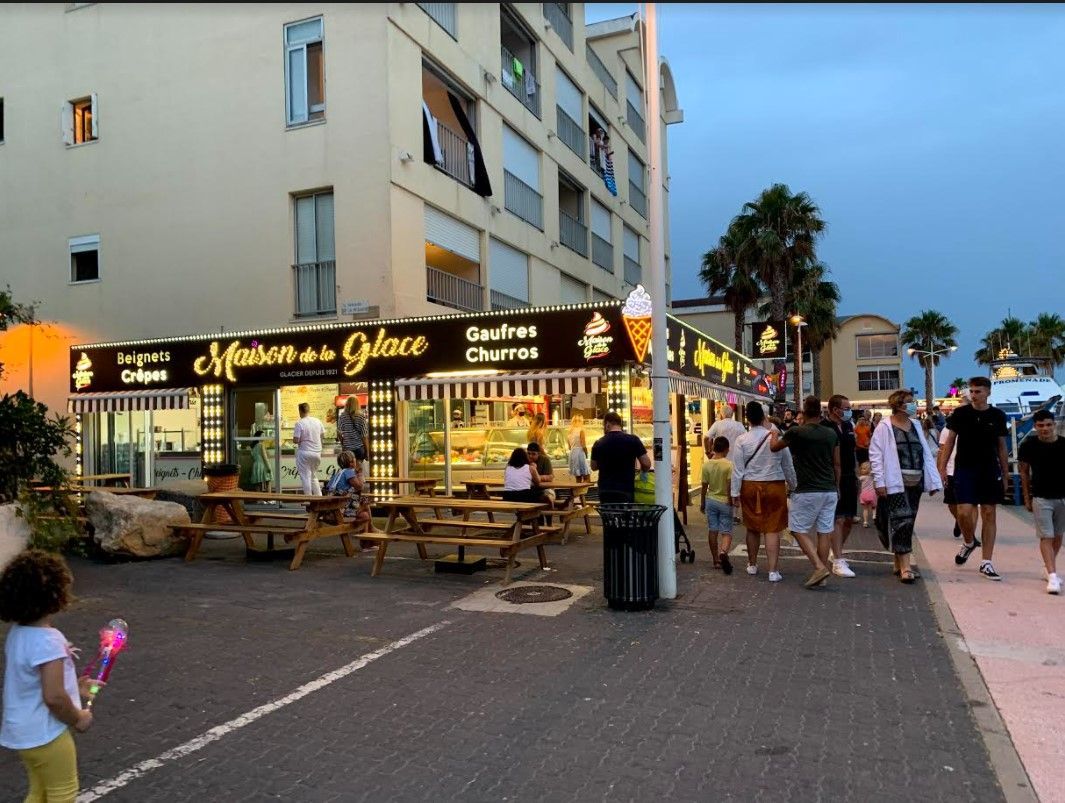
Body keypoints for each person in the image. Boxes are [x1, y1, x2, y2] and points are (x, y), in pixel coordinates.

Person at [1, 550, 97, 802]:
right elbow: (53, 696)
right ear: (58, 594)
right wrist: (78, 718)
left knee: (39, 791)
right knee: (62, 793)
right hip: (47, 735)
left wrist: (75, 688)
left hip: (23, 733)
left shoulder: (18, 633)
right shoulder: (48, 640)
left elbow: (32, 681)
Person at [938, 376, 1010, 580]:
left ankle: (986, 562)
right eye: (972, 391)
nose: (974, 395)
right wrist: (942, 468)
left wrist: (1005, 473)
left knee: (989, 513)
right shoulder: (960, 414)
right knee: (963, 512)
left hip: (989, 469)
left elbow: (1002, 446)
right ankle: (969, 542)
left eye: (978, 391)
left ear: (988, 392)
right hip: (965, 469)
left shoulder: (997, 415)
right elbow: (950, 441)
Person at [870, 389, 943, 583]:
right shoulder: (884, 427)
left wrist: (933, 480)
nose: (914, 404)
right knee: (902, 520)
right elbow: (876, 456)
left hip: (916, 482)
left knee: (908, 520)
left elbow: (926, 453)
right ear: (899, 405)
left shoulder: (917, 426)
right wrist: (880, 482)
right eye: (910, 402)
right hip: (896, 481)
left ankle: (897, 561)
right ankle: (905, 566)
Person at [770, 395, 838, 589]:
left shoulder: (796, 432)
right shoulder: (831, 434)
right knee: (824, 531)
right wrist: (837, 486)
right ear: (820, 412)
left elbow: (775, 448)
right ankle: (822, 575)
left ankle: (819, 567)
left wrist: (774, 434)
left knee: (797, 528)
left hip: (807, 488)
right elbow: (837, 463)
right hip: (829, 489)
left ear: (803, 412)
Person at [731, 401, 796, 582]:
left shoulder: (741, 440)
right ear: (763, 417)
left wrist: (735, 493)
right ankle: (773, 571)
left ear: (747, 420)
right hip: (774, 485)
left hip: (750, 486)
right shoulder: (775, 436)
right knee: (772, 529)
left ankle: (752, 564)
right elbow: (788, 465)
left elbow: (738, 469)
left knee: (752, 527)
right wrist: (793, 485)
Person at [1018, 409, 1065, 594]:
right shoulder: (1029, 446)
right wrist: (1027, 498)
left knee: (1058, 535)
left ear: (1054, 425)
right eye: (1040, 426)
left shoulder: (1063, 444)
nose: (1045, 429)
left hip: (1062, 497)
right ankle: (1053, 575)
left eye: (1048, 425)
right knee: (1046, 535)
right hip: (1041, 497)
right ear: (1035, 427)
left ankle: (1048, 567)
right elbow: (1023, 473)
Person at [823, 394, 858, 578]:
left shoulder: (848, 426)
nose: (849, 411)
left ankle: (836, 550)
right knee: (838, 518)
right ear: (835, 409)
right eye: (846, 408)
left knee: (849, 519)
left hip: (850, 476)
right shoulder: (825, 427)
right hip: (832, 478)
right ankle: (838, 560)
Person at [590, 411, 651, 502]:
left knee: (608, 515)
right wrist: (643, 472)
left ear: (607, 424)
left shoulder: (599, 443)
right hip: (625, 489)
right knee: (625, 515)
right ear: (620, 424)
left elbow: (593, 467)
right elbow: (646, 463)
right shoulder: (633, 440)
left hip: (605, 490)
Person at [701, 436, 735, 573]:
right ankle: (723, 552)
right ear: (726, 449)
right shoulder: (729, 465)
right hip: (725, 501)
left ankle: (715, 560)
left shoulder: (706, 465)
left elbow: (704, 486)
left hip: (710, 500)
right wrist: (731, 500)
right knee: (726, 531)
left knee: (712, 530)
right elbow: (729, 486)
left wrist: (702, 502)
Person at [939, 393, 971, 540]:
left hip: (970, 471)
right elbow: (942, 450)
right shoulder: (947, 429)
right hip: (952, 469)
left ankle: (968, 535)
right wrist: (941, 469)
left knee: (968, 505)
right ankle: (959, 520)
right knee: (951, 503)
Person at [325, 450, 378, 532]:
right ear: (351, 462)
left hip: (330, 508)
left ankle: (368, 536)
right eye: (354, 459)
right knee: (365, 502)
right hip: (340, 509)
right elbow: (360, 486)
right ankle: (370, 531)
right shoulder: (349, 472)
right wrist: (360, 473)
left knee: (364, 515)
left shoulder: (338, 473)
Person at [293, 402, 325, 496]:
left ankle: (309, 499)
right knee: (313, 476)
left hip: (304, 453)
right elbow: (322, 434)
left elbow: (296, 440)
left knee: (305, 477)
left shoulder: (299, 423)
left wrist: (298, 440)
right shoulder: (317, 421)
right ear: (308, 410)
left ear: (300, 411)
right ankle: (319, 498)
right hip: (317, 453)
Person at [336, 395, 367, 461]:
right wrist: (367, 451)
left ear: (346, 404)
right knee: (359, 469)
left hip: (348, 449)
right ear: (357, 404)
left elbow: (338, 432)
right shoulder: (361, 416)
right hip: (359, 448)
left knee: (349, 468)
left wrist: (343, 443)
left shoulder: (342, 416)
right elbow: (364, 436)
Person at [567, 414, 590, 483]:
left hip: (573, 454)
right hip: (580, 453)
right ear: (581, 421)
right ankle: (583, 493)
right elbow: (583, 445)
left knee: (578, 477)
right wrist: (586, 454)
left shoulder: (569, 432)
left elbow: (569, 447)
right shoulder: (581, 431)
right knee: (587, 477)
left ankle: (578, 493)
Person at [858, 461, 877, 528]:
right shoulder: (872, 477)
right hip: (872, 494)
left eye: (863, 469)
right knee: (874, 507)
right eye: (862, 468)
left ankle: (865, 522)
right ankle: (874, 515)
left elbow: (857, 480)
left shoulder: (862, 478)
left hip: (864, 495)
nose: (862, 470)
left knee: (865, 509)